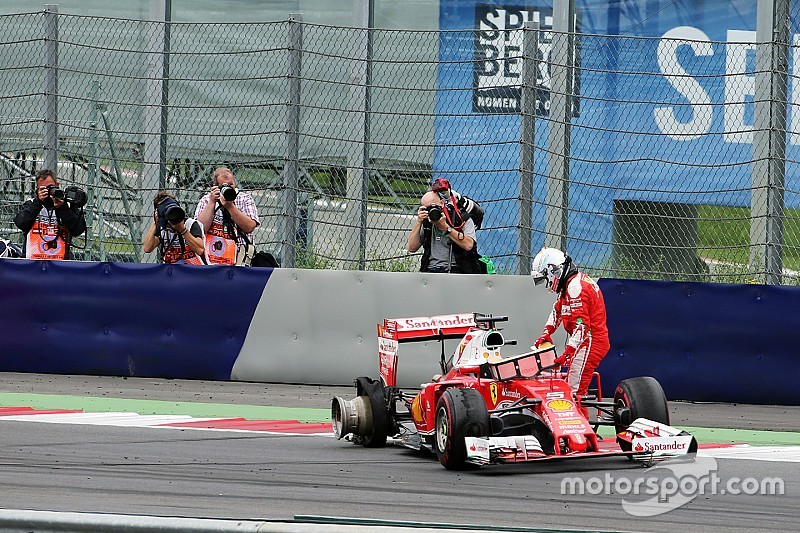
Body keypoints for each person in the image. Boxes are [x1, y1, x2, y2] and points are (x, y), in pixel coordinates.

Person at [531, 247, 610, 399]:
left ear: (553, 271)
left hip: (591, 341)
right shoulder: (570, 283)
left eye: (545, 278)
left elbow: (582, 327)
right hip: (588, 340)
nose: (546, 283)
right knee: (572, 387)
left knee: (574, 392)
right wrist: (547, 332)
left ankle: (578, 421)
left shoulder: (575, 287)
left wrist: (567, 353)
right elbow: (557, 310)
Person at [407, 179, 481, 273]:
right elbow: (411, 248)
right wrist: (419, 222)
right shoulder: (427, 222)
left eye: (434, 206)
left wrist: (445, 227)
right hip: (432, 269)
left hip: (457, 269)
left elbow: (469, 245)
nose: (432, 211)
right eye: (428, 208)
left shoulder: (461, 218)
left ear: (442, 203)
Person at [14, 169, 87, 260]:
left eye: (50, 187)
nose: (48, 192)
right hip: (33, 263)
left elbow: (78, 230)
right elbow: (20, 223)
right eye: (43, 189)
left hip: (60, 263)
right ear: (37, 189)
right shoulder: (31, 204)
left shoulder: (67, 205)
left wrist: (62, 208)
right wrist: (38, 202)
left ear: (57, 185)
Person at [194, 167, 259, 266]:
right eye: (225, 185)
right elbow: (200, 229)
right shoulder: (207, 200)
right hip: (211, 259)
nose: (228, 188)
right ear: (215, 186)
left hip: (239, 260)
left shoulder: (244, 199)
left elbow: (249, 227)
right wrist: (212, 202)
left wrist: (230, 207)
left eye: (231, 184)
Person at [143, 191, 208, 265]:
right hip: (171, 270)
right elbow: (147, 248)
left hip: (193, 269)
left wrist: (182, 230)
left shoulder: (191, 224)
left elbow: (200, 250)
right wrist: (155, 222)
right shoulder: (162, 227)